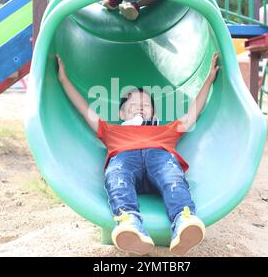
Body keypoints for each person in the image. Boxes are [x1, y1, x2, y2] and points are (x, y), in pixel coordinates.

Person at [56, 53, 220, 255]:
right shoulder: (111, 130)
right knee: (116, 176)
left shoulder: (166, 129)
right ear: (121, 114)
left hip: (160, 158)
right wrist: (63, 80)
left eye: (145, 105)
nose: (140, 107)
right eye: (133, 104)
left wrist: (209, 80)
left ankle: (183, 220)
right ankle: (130, 223)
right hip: (125, 160)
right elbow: (84, 108)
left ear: (155, 115)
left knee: (172, 177)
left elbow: (193, 113)